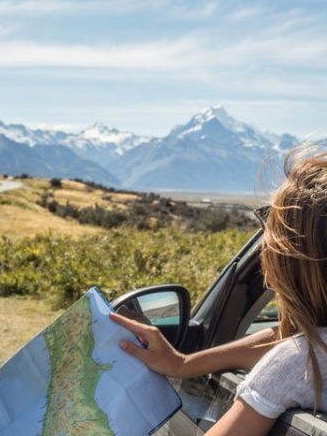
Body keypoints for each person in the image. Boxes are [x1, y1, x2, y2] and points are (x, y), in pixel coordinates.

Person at [111, 146, 327, 436]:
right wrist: (181, 363)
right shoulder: (302, 356)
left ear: (289, 265)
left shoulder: (300, 363)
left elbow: (294, 349)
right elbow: (286, 337)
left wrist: (181, 364)